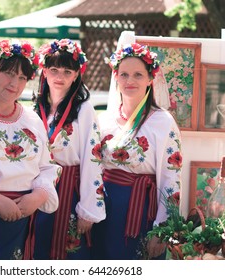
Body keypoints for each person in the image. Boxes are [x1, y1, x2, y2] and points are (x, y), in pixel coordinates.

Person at [91, 33, 182, 260]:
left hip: (142, 210)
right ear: (116, 77)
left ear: (150, 79)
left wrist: (162, 230)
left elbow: (171, 179)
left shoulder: (163, 122)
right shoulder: (106, 120)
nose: (130, 80)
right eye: (124, 74)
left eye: (138, 74)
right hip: (105, 209)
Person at [0, 39, 60, 260]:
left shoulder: (31, 119)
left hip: (24, 218)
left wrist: (40, 195)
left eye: (22, 77)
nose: (15, 83)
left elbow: (47, 167)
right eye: (9, 73)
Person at [33, 38, 106, 260]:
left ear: (76, 75)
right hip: (36, 190)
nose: (60, 77)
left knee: (67, 253)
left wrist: (88, 208)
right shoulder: (36, 108)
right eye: (53, 69)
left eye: (67, 71)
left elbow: (92, 160)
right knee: (36, 250)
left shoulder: (84, 110)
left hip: (68, 190)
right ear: (44, 71)